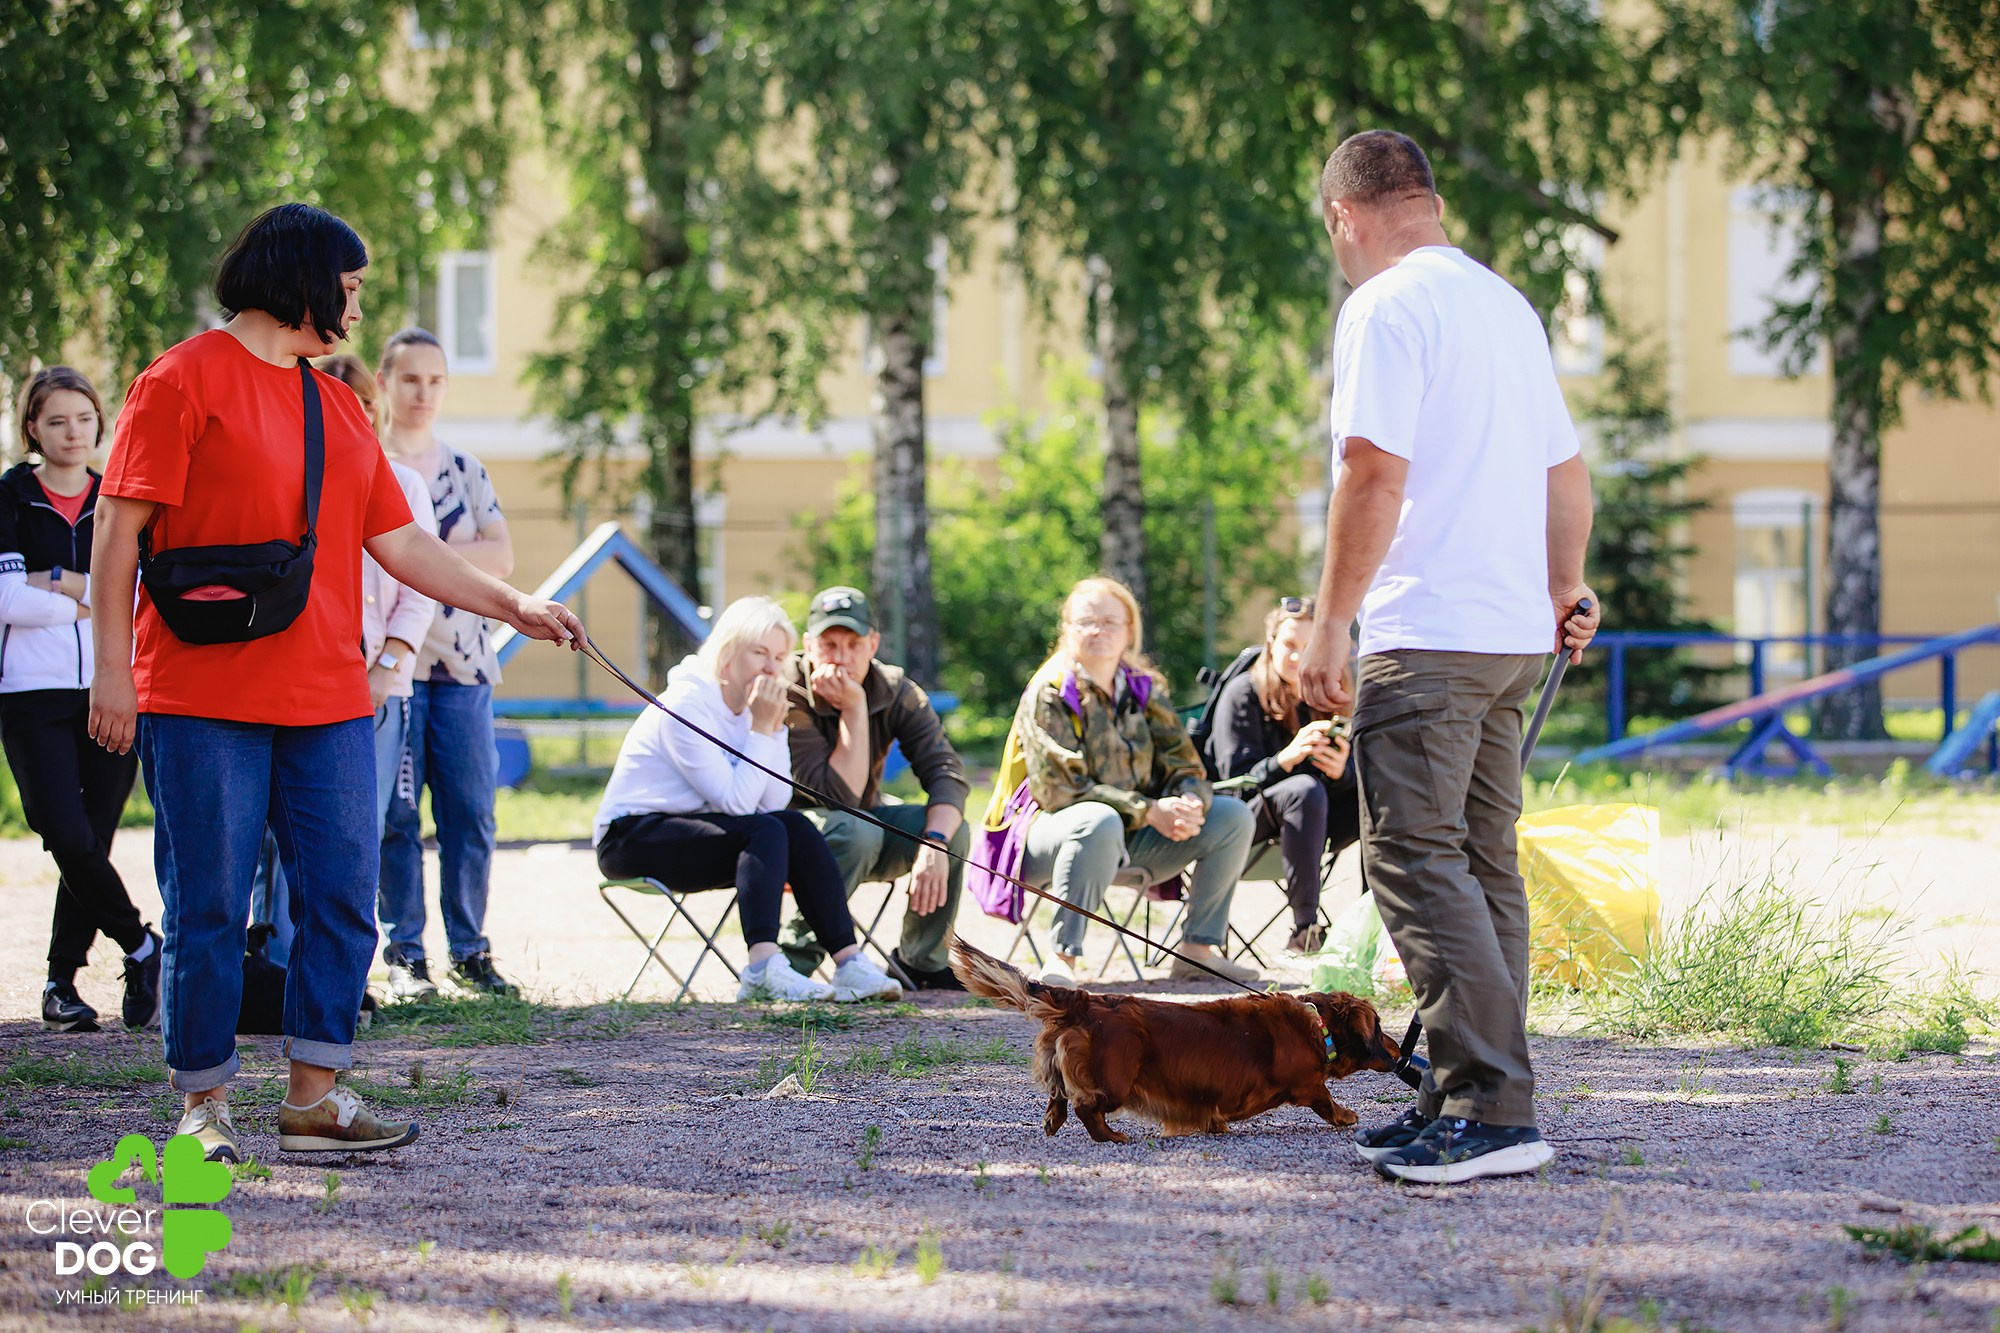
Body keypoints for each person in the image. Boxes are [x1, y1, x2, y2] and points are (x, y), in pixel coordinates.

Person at [89, 202, 584, 1164]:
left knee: (346, 894)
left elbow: (399, 542)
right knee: (208, 904)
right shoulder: (180, 380)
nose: (357, 308)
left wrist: (511, 603)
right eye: (349, 288)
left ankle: (314, 1093)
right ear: (303, 278)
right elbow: (117, 535)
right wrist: (113, 669)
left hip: (326, 698)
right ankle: (204, 1105)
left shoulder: (333, 406)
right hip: (199, 696)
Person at [1298, 131, 1600, 1184]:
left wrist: (1330, 622)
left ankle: (1489, 1110)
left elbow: (1371, 473)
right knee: (1480, 866)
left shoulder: (1382, 305)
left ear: (1344, 214)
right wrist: (1563, 586)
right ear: (1423, 197)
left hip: (1427, 635)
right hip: (1511, 638)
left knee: (1414, 862)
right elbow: (1568, 473)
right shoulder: (1503, 305)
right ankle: (1461, 1097)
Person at [593, 596, 903, 1004]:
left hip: (700, 829)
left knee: (792, 825)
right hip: (631, 838)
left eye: (778, 656)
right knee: (764, 831)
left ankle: (848, 962)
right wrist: (761, 727)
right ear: (727, 654)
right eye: (760, 653)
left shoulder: (751, 709)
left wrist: (772, 730)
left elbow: (773, 800)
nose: (773, 668)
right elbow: (739, 806)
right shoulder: (687, 704)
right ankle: (762, 967)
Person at [248, 355, 437, 973]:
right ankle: (275, 961)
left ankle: (352, 976)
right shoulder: (288, 479)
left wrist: (388, 664)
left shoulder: (402, 484)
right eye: (338, 403)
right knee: (282, 833)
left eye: (361, 405)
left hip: (375, 682)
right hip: (295, 680)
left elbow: (420, 584)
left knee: (362, 832)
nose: (351, 415)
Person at [1, 368, 159, 1032]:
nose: (73, 433)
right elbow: (7, 598)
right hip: (31, 692)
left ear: (101, 425)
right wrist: (92, 591)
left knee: (90, 840)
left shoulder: (118, 495)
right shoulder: (10, 495)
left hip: (111, 684)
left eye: (84, 419)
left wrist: (58, 582)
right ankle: (142, 944)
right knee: (61, 828)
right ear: (32, 427)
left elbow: (137, 592)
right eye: (57, 420)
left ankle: (60, 984)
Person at [1013, 577, 1259, 986]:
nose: (1098, 630)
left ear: (1129, 630)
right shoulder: (1051, 690)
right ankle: (1062, 958)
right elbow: (1063, 790)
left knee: (1231, 815)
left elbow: (1186, 766)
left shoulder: (1144, 690)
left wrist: (1188, 802)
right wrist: (1149, 811)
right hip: (1054, 837)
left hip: (1132, 836)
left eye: (1110, 622)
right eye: (1086, 621)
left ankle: (1197, 951)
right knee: (1096, 819)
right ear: (1067, 628)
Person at [375, 328, 515, 999]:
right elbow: (380, 559)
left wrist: (420, 557)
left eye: (434, 380)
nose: (422, 393)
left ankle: (470, 947)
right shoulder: (369, 464)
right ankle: (405, 952)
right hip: (390, 669)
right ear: (384, 382)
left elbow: (503, 559)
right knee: (395, 817)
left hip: (463, 666)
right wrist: (448, 557)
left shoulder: (465, 469)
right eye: (409, 379)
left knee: (469, 811)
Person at [779, 586, 971, 990]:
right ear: (808, 644)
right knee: (856, 829)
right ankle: (791, 965)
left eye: (854, 643)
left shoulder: (896, 688)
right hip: (790, 833)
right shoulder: (787, 689)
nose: (842, 656)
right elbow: (839, 798)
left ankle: (921, 960)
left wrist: (934, 842)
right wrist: (853, 707)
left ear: (874, 644)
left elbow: (946, 774)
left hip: (862, 829)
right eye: (829, 643)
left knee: (951, 829)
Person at [1208, 597, 1360, 955]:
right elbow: (1236, 781)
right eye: (1290, 645)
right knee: (1303, 789)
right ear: (1271, 643)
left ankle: (1375, 926)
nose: (1297, 657)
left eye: (1308, 648)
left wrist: (1342, 773)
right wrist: (1287, 758)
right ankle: (1305, 929)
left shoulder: (1325, 697)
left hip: (1312, 826)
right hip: (1242, 824)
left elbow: (1346, 783)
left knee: (1372, 794)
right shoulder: (1243, 693)